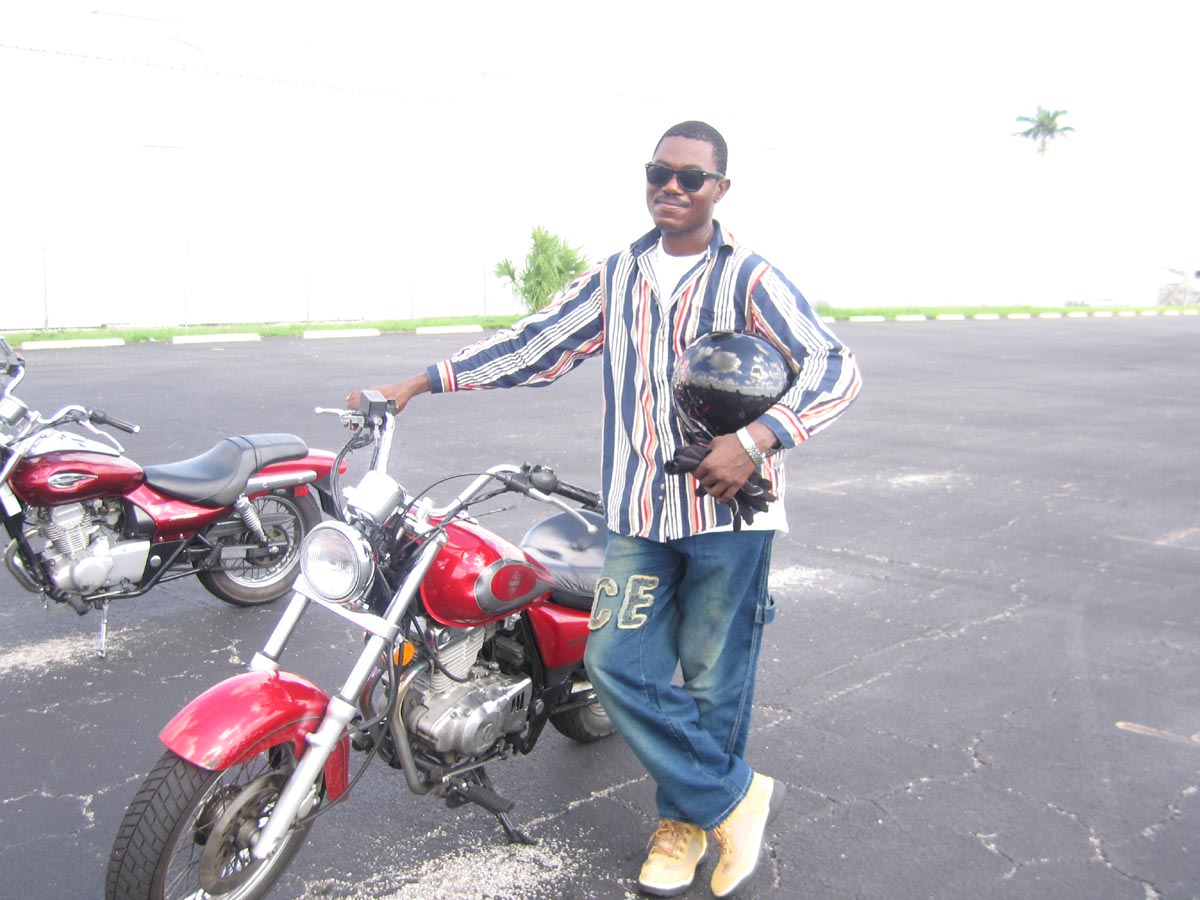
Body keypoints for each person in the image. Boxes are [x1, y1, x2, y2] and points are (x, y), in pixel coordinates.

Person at [347, 120, 861, 898]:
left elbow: (835, 367)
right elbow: (533, 345)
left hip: (729, 518)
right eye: (660, 172)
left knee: (713, 678)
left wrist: (755, 440)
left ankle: (684, 824)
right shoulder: (616, 276)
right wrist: (420, 382)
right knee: (618, 663)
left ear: (720, 189)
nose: (672, 187)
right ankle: (736, 797)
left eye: (691, 177)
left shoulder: (751, 278)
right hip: (640, 514)